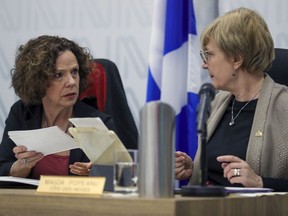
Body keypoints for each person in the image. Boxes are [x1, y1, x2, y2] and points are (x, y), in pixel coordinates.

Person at [175, 7, 288, 192]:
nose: (204, 64)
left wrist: (260, 182)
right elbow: (220, 175)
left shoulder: (284, 108)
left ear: (236, 59)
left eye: (209, 55)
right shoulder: (216, 102)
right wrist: (194, 169)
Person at [0, 35, 117, 179]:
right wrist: (20, 166)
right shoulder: (22, 113)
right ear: (37, 81)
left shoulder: (98, 124)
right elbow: (3, 167)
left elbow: (119, 178)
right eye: (58, 75)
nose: (71, 82)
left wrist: (95, 174)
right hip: (29, 201)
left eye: (74, 72)